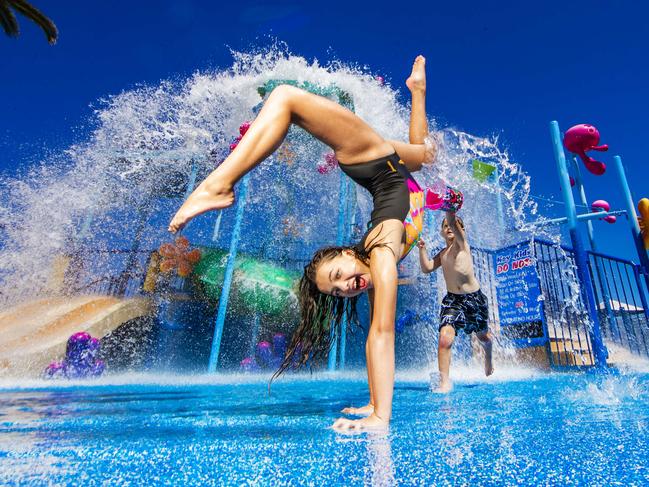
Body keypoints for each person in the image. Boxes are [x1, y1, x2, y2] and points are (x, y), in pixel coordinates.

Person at [169, 56, 438, 430]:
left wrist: (381, 417)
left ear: (348, 253)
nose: (347, 286)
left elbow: (382, 333)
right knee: (425, 155)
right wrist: (374, 404)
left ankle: (219, 184)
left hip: (370, 159)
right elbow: (375, 336)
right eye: (340, 290)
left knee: (285, 98)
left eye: (339, 274)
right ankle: (417, 91)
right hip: (391, 166)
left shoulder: (380, 256)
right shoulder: (377, 269)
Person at [417, 212, 494, 393]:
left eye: (454, 225)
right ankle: (444, 382)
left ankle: (488, 355)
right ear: (442, 233)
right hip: (453, 301)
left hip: (474, 299)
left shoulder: (462, 245)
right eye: (445, 226)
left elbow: (453, 221)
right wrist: (422, 249)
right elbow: (427, 268)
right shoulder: (443, 254)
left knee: (483, 337)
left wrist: (449, 209)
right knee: (444, 339)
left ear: (461, 230)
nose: (449, 227)